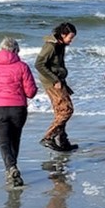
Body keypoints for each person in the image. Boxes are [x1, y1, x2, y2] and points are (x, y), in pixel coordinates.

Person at [0, 37, 38, 187]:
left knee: (3, 142)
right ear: (15, 50)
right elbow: (30, 92)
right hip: (18, 108)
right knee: (15, 139)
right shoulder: (22, 66)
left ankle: (10, 168)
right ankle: (12, 168)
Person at [35, 22, 78, 152]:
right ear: (63, 34)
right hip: (52, 82)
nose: (71, 41)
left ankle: (62, 141)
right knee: (66, 110)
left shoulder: (60, 45)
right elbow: (39, 64)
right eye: (70, 37)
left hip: (59, 80)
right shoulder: (51, 46)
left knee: (60, 111)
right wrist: (54, 80)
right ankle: (48, 137)